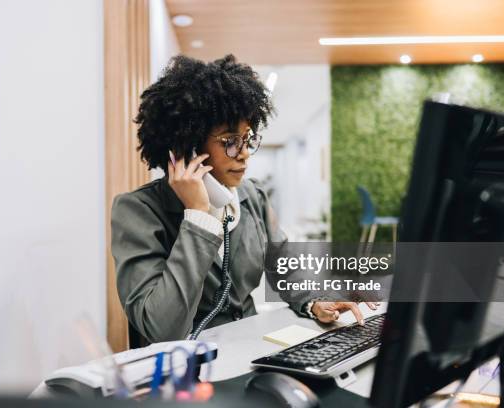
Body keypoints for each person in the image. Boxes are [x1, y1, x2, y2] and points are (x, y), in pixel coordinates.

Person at [111, 54, 376, 344]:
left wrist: (316, 300)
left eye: (247, 139)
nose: (245, 153)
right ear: (187, 146)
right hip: (185, 370)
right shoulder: (138, 211)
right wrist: (198, 217)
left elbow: (285, 267)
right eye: (229, 142)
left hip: (248, 348)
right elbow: (161, 329)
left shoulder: (253, 196)